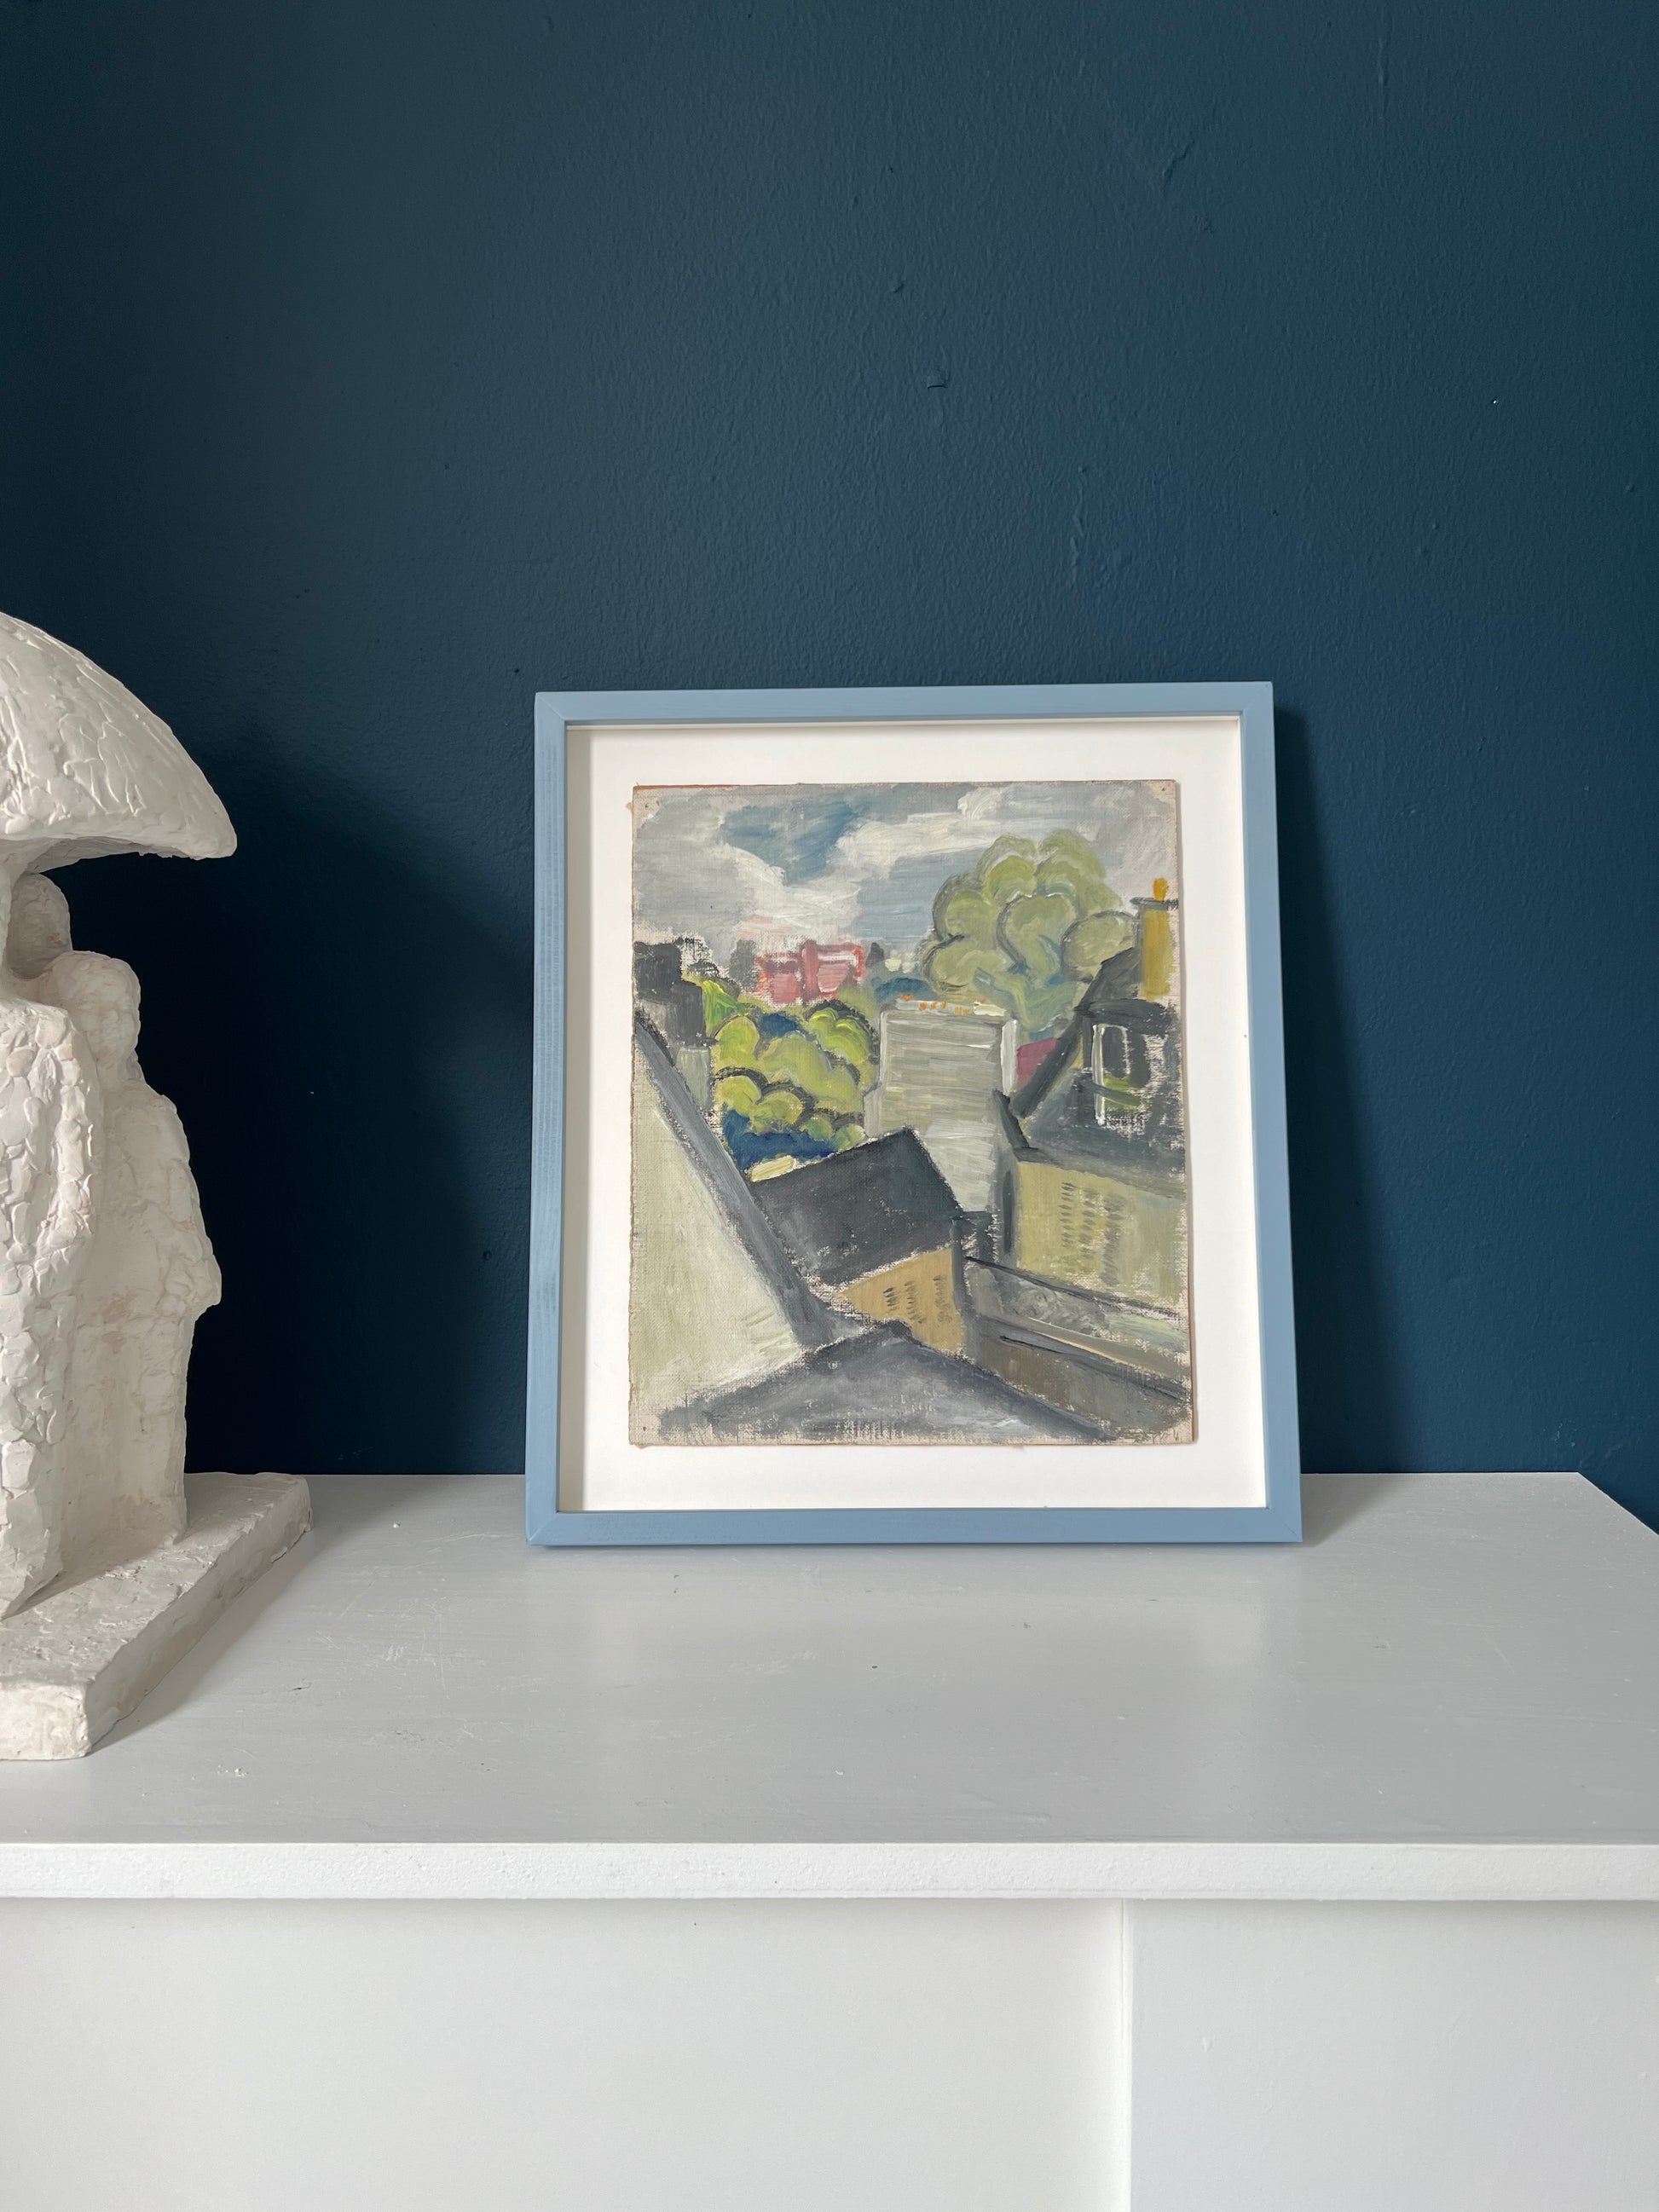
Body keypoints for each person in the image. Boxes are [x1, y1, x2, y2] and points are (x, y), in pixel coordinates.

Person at [49, 951, 221, 1569]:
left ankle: (149, 1507)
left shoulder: (147, 1110)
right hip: (86, 1288)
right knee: (89, 1402)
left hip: (155, 1283)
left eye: (123, 1013)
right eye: (93, 1012)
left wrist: (195, 1265)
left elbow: (177, 1196)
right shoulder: (60, 1113)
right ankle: (97, 1514)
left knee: (151, 1397)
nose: (111, 1026)